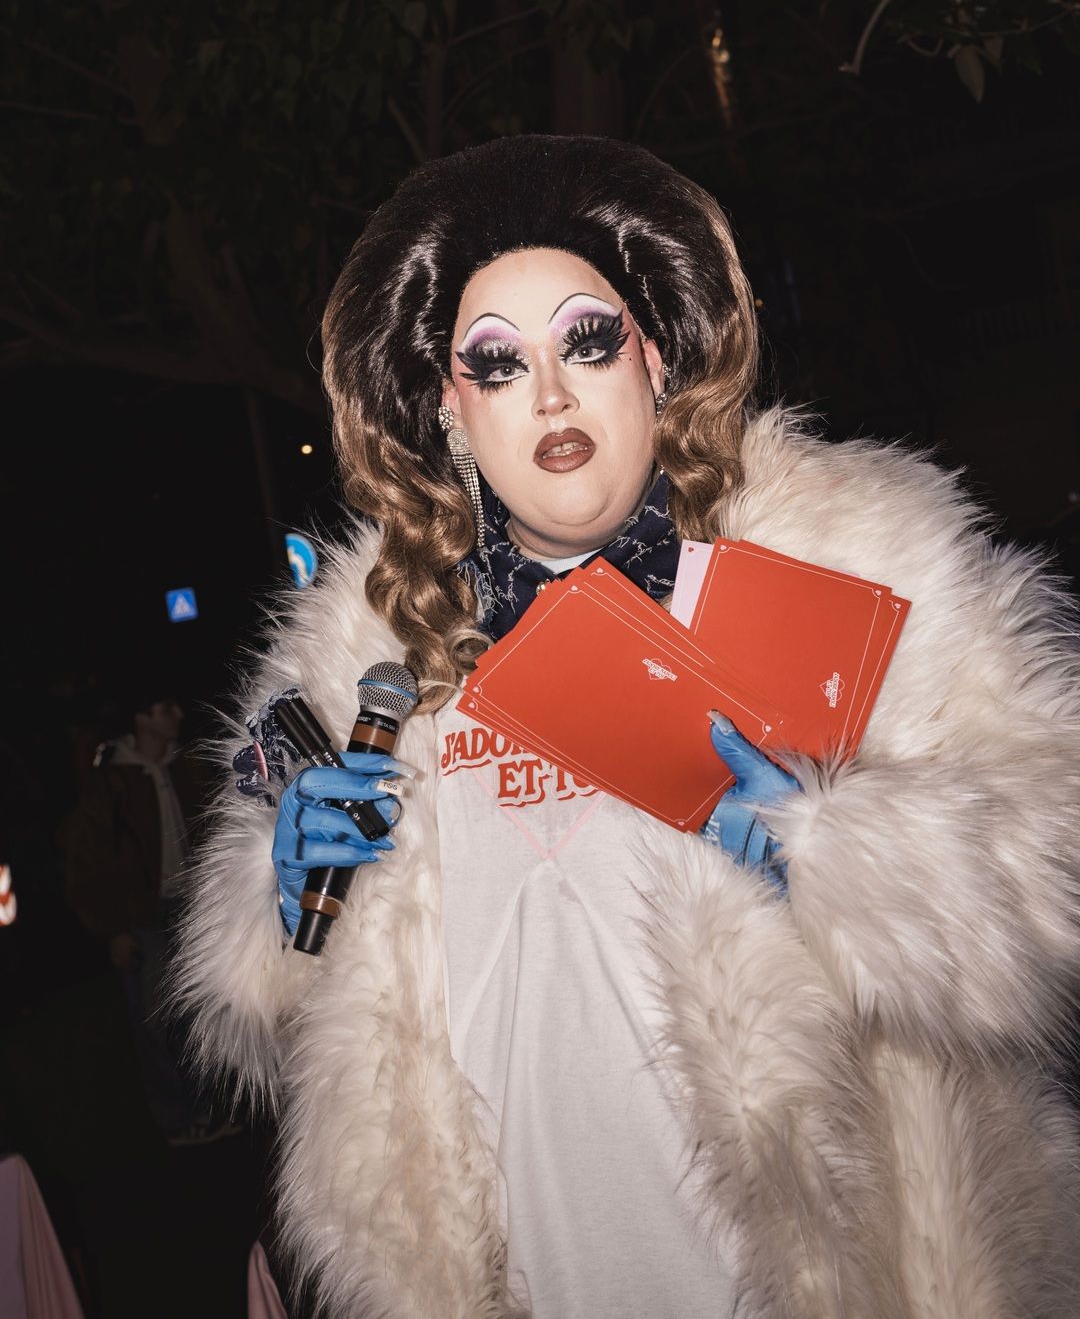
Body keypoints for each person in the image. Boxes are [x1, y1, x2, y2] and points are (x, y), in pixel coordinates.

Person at [172, 135, 1080, 1319]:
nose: (550, 393)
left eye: (588, 342)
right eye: (497, 364)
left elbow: (1050, 875)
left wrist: (839, 845)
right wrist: (285, 894)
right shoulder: (364, 655)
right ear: (452, 409)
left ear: (653, 359)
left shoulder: (856, 556)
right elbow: (280, 1012)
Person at [64, 690, 225, 1144]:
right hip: (143, 917)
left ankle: (208, 1107)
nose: (177, 714)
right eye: (164, 708)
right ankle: (176, 1117)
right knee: (155, 1021)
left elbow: (213, 828)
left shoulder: (186, 766)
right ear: (140, 717)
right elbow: (85, 862)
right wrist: (114, 929)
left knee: (203, 1013)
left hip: (191, 912)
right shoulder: (111, 782)